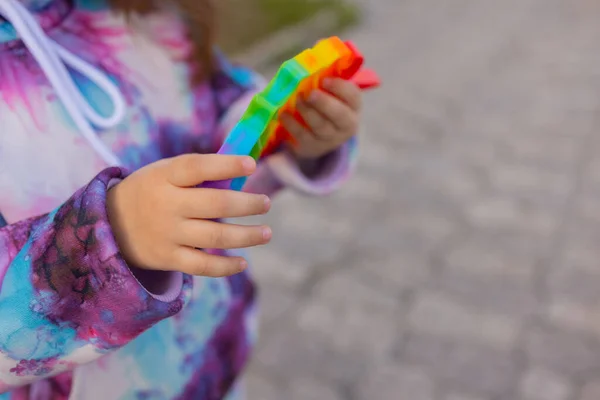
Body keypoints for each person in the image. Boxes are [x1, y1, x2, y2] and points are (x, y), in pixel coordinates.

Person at [0, 0, 362, 398]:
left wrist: (290, 133)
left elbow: (219, 118)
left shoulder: (153, 12)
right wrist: (105, 241)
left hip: (208, 367)